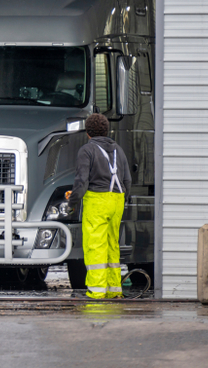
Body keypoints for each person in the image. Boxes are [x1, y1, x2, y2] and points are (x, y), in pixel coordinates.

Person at [67, 113, 131, 299]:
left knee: (95, 245)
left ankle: (96, 291)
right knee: (112, 245)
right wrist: (120, 199)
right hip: (117, 201)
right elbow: (127, 180)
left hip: (97, 201)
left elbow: (81, 182)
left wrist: (72, 202)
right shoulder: (119, 149)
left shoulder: (87, 150)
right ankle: (114, 290)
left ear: (88, 133)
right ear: (107, 130)